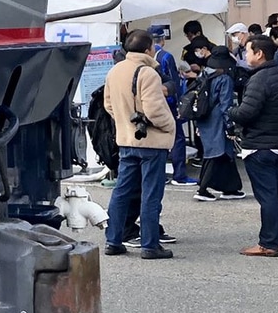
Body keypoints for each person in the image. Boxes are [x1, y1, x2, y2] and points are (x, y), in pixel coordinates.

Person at [102, 31, 175, 260]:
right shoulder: (148, 73)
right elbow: (154, 109)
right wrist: (168, 126)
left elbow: (108, 104)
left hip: (126, 139)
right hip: (151, 142)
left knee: (121, 191)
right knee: (151, 194)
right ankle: (150, 244)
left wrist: (124, 121)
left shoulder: (114, 71)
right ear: (147, 50)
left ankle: (113, 239)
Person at [231, 35, 278, 258]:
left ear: (259, 53)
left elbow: (246, 112)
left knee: (268, 195)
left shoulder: (260, 79)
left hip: (261, 145)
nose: (246, 55)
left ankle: (268, 242)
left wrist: (230, 113)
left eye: (248, 51)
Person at [192, 47, 244, 199]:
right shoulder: (225, 78)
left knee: (221, 154)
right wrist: (230, 126)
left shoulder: (204, 73)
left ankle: (231, 187)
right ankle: (202, 189)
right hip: (217, 120)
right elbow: (225, 105)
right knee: (216, 154)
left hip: (204, 118)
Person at [150, 24, 193, 186]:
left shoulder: (145, 56)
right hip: (168, 103)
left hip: (151, 103)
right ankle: (179, 175)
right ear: (163, 39)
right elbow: (173, 84)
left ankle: (159, 175)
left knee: (156, 140)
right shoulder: (166, 57)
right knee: (177, 139)